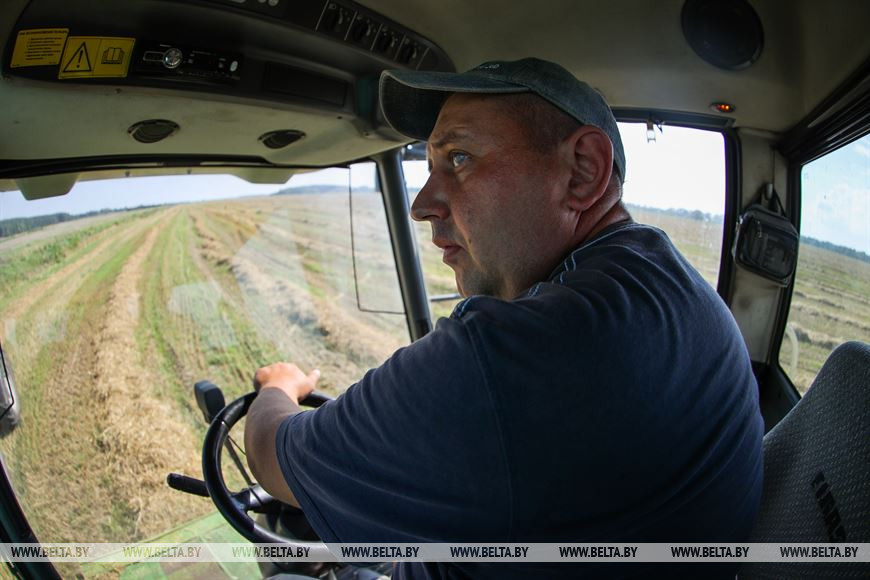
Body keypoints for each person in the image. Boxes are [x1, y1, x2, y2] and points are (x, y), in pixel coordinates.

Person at [244, 57, 763, 579]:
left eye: (461, 158)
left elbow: (274, 459)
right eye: (429, 169)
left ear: (582, 171)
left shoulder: (516, 355)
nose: (421, 205)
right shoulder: (667, 283)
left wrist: (278, 389)